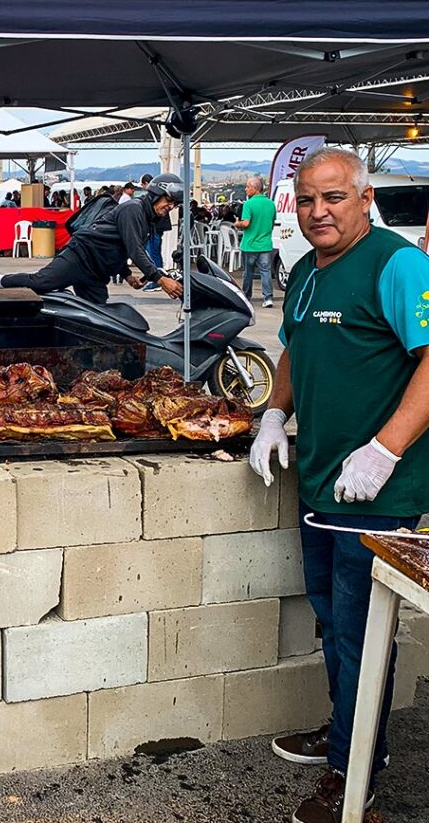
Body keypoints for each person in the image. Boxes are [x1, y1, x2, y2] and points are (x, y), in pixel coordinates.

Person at [249, 147, 429, 823]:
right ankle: (347, 732)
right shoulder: (303, 270)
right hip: (321, 483)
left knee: (359, 633)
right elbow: (294, 349)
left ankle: (354, 770)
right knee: (332, 621)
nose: (318, 211)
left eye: (334, 197)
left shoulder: (396, 264)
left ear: (365, 199)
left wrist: (385, 450)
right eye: (307, 199)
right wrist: (274, 415)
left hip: (378, 492)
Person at [0, 174, 186, 303]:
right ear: (156, 194)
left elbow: (118, 247)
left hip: (96, 273)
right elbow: (134, 249)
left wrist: (127, 275)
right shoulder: (133, 209)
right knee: (42, 282)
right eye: (169, 200)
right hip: (80, 256)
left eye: (175, 204)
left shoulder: (147, 219)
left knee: (98, 317)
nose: (171, 206)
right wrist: (159, 279)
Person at [235, 175, 277, 308]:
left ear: (255, 188)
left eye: (247, 187)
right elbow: (272, 223)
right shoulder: (271, 204)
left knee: (248, 272)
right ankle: (268, 298)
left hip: (250, 244)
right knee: (265, 271)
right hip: (265, 244)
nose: (246, 189)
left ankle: (246, 297)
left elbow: (246, 223)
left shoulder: (248, 204)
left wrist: (237, 223)